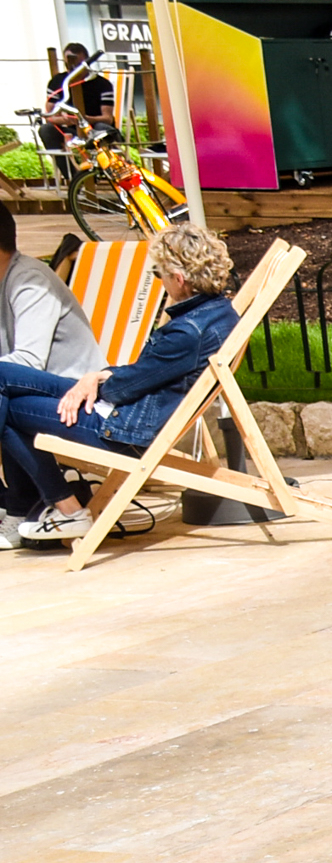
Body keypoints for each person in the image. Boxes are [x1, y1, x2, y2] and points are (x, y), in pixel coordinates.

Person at [1, 225, 235, 545]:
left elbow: (124, 388)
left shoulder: (187, 333)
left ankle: (65, 509)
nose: (160, 281)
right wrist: (94, 377)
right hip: (119, 409)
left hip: (120, 426)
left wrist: (95, 380)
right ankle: (35, 505)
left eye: (158, 273)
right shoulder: (215, 313)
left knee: (9, 408)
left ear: (179, 279)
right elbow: (142, 375)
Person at [0, 205, 107, 545]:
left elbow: (27, 362)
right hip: (28, 393)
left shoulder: (29, 282)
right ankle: (21, 505)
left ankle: (24, 506)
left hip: (76, 396)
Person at [38, 45, 115, 178]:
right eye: (68, 64)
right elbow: (49, 116)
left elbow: (107, 118)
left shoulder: (102, 84)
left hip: (94, 128)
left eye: (77, 64)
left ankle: (104, 174)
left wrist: (85, 119)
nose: (73, 68)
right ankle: (73, 178)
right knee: (46, 130)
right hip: (70, 130)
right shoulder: (57, 82)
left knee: (103, 128)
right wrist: (65, 120)